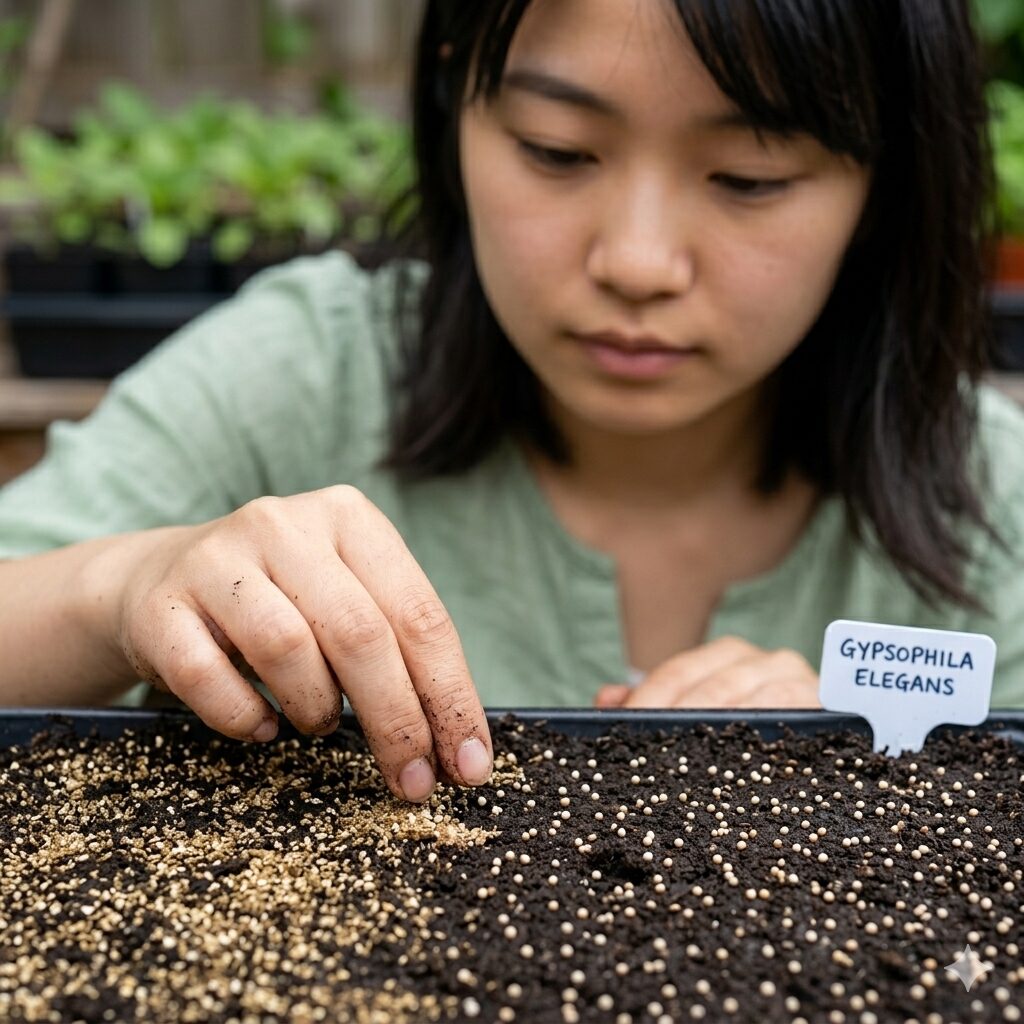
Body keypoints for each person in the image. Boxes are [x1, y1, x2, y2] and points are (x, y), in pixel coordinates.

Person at [0, 0, 1021, 804]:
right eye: (556, 150)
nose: (635, 262)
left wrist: (871, 773)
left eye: (747, 177)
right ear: (458, 104)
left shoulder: (993, 508)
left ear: (883, 180)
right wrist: (124, 588)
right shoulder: (307, 374)